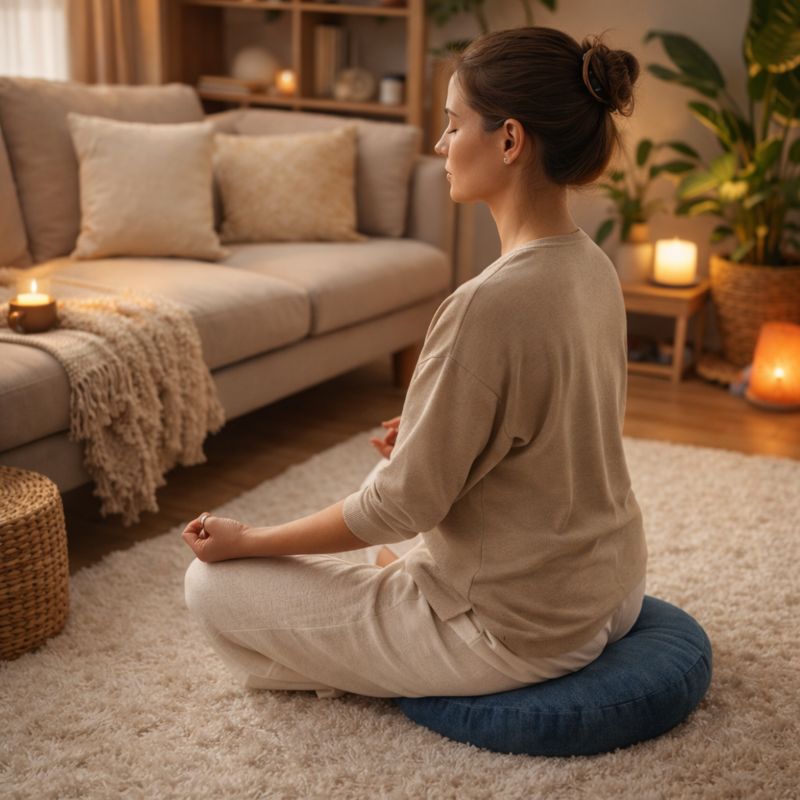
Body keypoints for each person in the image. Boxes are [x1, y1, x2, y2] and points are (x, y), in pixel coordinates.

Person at [182, 26, 648, 700]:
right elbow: (561, 435)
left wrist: (250, 539)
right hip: (616, 589)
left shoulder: (483, 306)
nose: (440, 145)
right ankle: (379, 630)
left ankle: (373, 668)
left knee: (210, 585)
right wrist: (439, 435)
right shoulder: (594, 267)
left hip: (518, 632)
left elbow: (399, 509)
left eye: (454, 125)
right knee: (398, 466)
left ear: (510, 140)